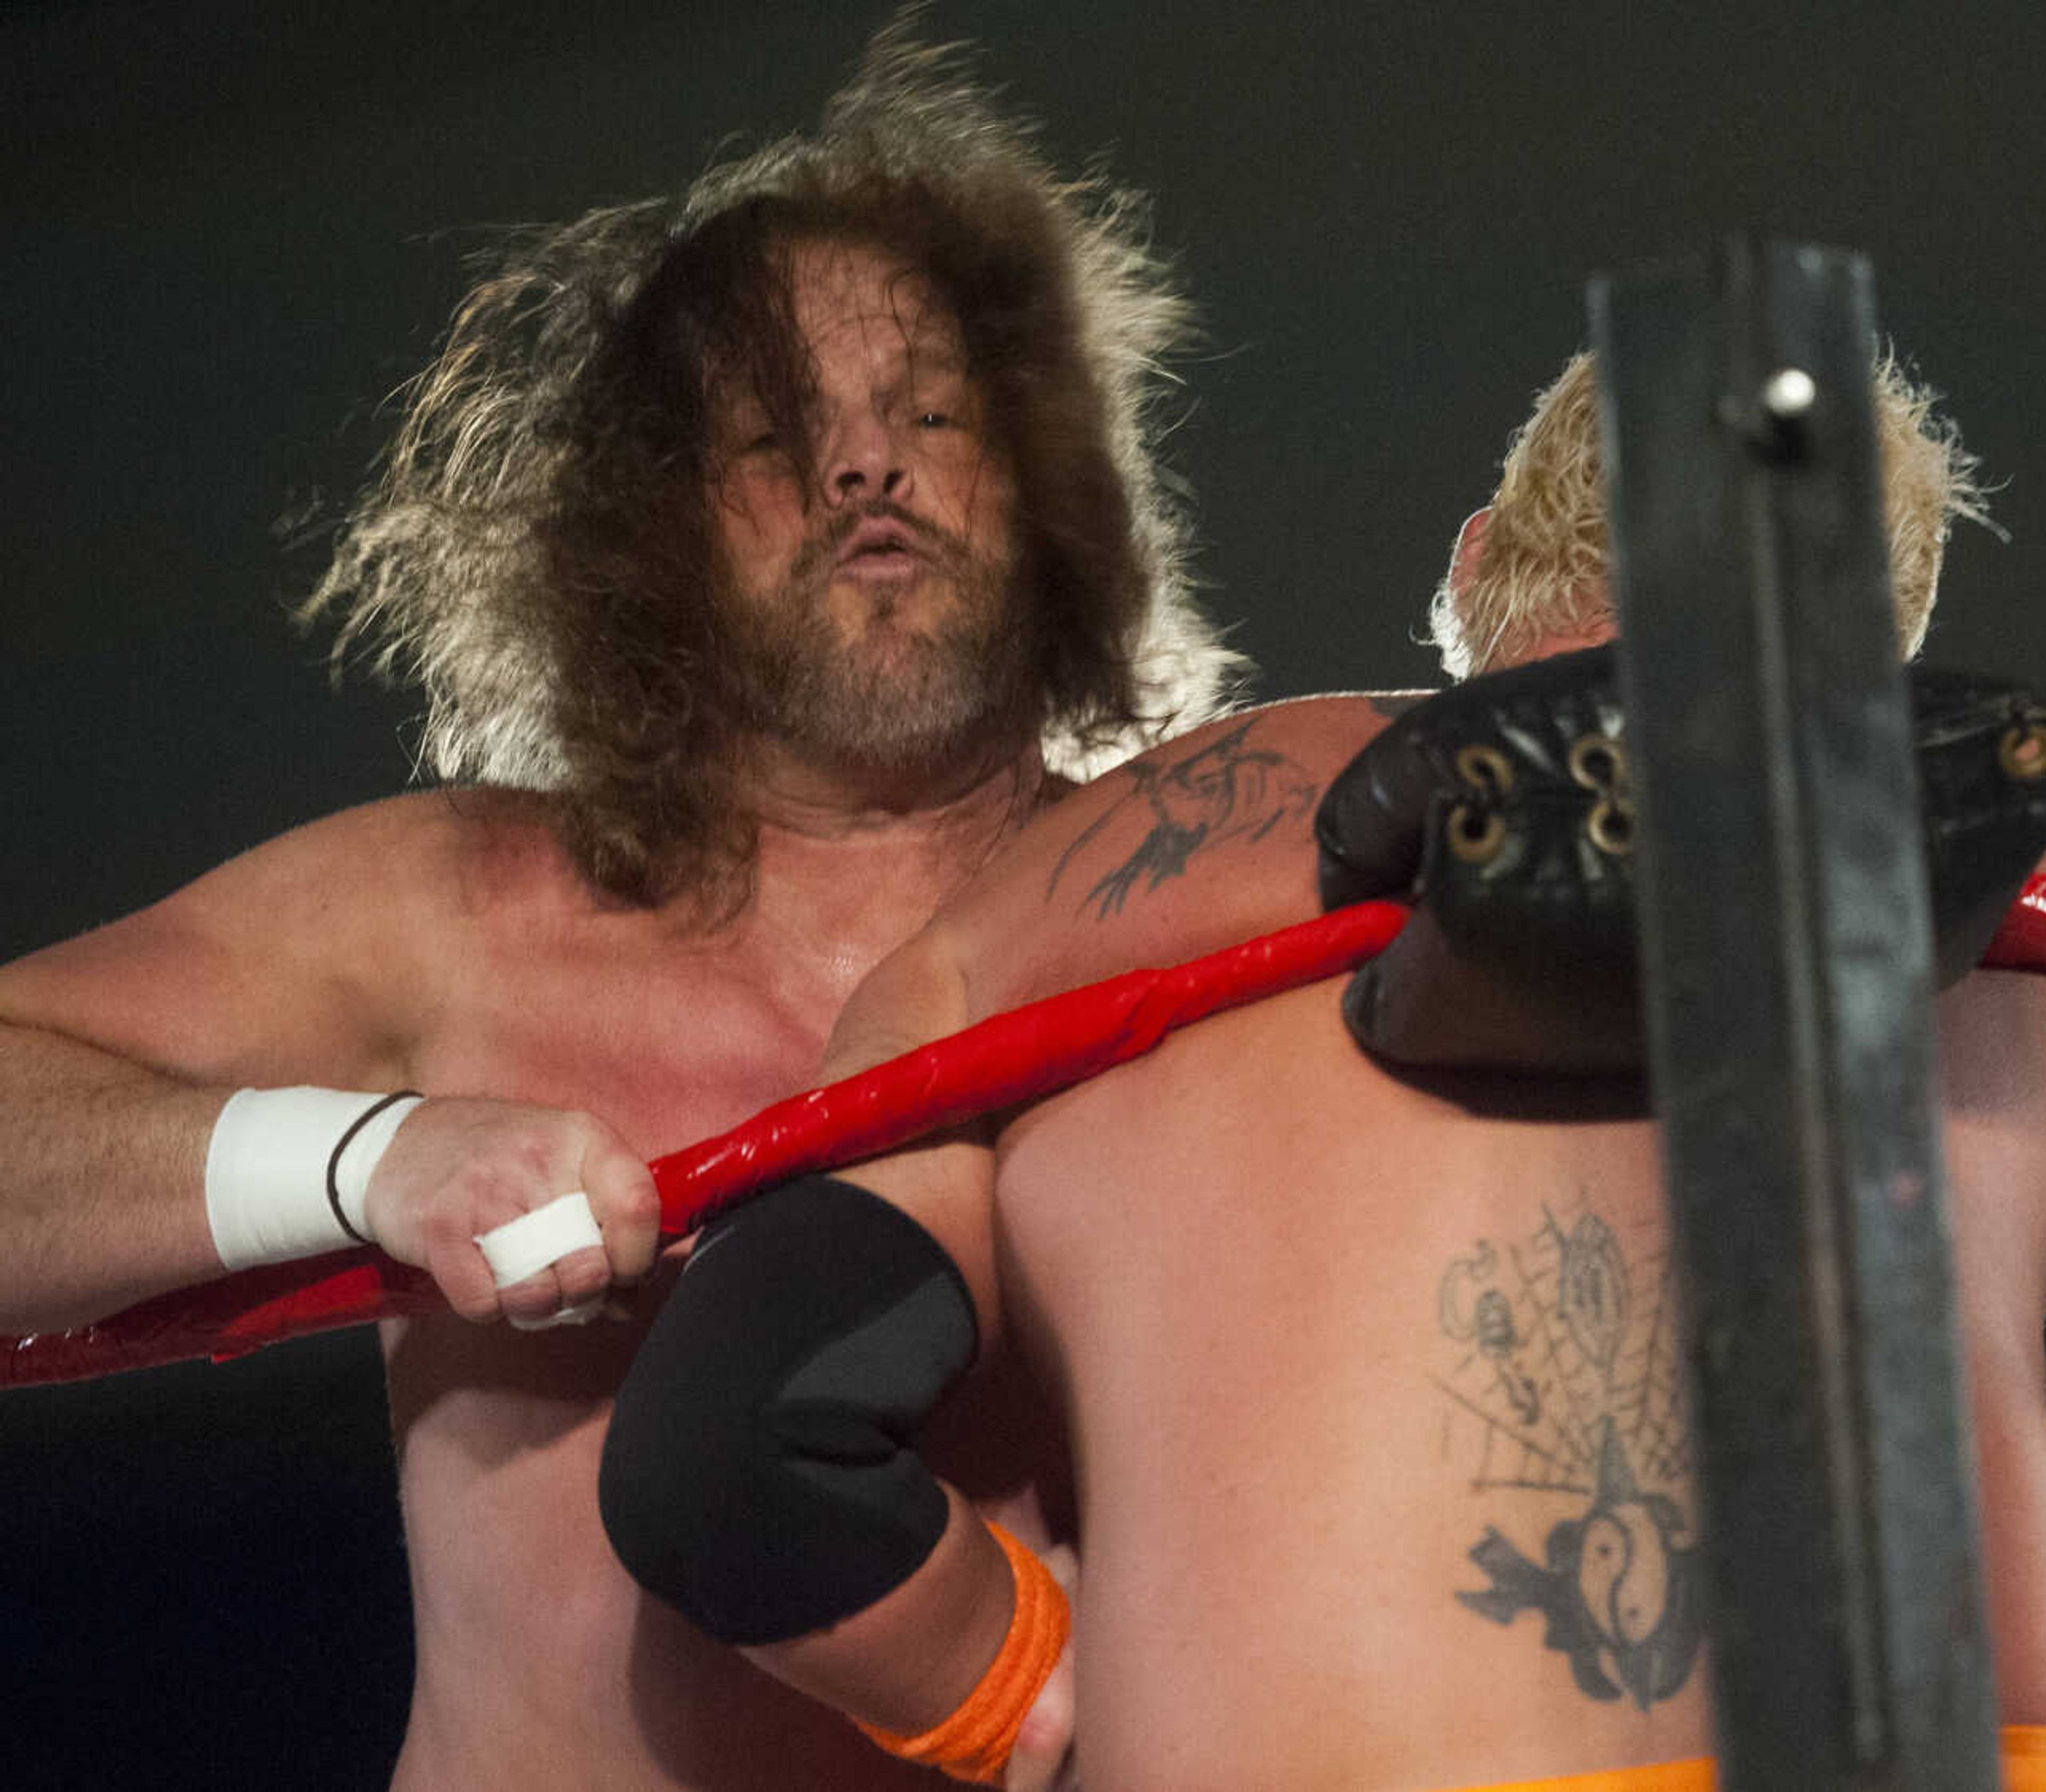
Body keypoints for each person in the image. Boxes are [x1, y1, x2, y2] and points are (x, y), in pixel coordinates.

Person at [599, 345, 2046, 1789]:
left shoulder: (1092, 885)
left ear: (1472, 570)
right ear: (1882, 639)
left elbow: (726, 1456)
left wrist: (1042, 1701)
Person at [0, 27, 1238, 1789]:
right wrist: (365, 1156)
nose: (866, 470)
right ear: (646, 537)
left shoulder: (1186, 906)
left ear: (1050, 493)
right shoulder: (451, 910)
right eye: (774, 435)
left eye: (935, 413)